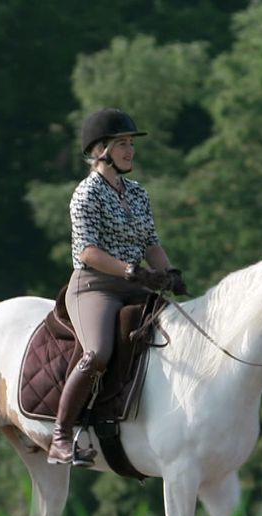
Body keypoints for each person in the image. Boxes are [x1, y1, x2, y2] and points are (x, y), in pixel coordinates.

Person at [49, 107, 188, 467]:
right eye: (122, 144)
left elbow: (152, 243)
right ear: (100, 151)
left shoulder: (139, 193)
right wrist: (133, 272)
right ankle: (61, 436)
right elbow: (88, 251)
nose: (130, 151)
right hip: (95, 287)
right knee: (96, 352)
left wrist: (167, 272)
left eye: (130, 144)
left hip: (135, 283)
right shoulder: (85, 194)